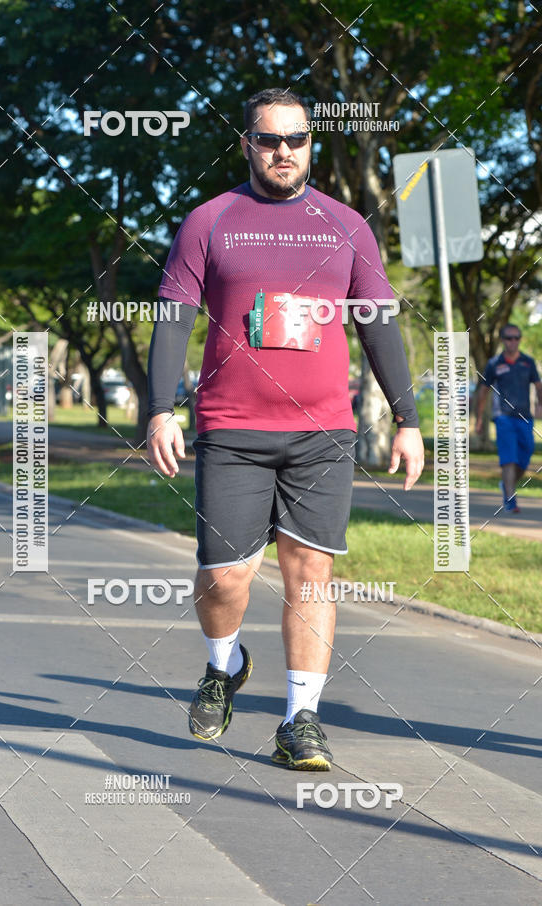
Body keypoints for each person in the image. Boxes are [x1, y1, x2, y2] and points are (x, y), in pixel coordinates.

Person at [146, 88, 424, 771]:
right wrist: (159, 406)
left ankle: (301, 720)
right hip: (232, 429)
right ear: (246, 144)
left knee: (311, 577)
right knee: (225, 578)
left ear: (311, 144)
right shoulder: (209, 221)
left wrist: (410, 420)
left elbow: (379, 325)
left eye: (296, 139)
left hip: (321, 432)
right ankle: (224, 663)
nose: (283, 152)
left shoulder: (347, 225)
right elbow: (174, 317)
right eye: (269, 140)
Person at [476, 324, 542, 513]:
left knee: (525, 456)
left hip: (525, 417)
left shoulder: (528, 362)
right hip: (503, 417)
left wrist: (540, 404)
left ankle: (506, 485)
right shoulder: (494, 364)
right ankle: (510, 499)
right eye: (508, 338)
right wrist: (479, 418)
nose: (513, 341)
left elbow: (538, 386)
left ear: (520, 339)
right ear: (503, 340)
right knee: (509, 458)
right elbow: (483, 391)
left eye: (516, 337)